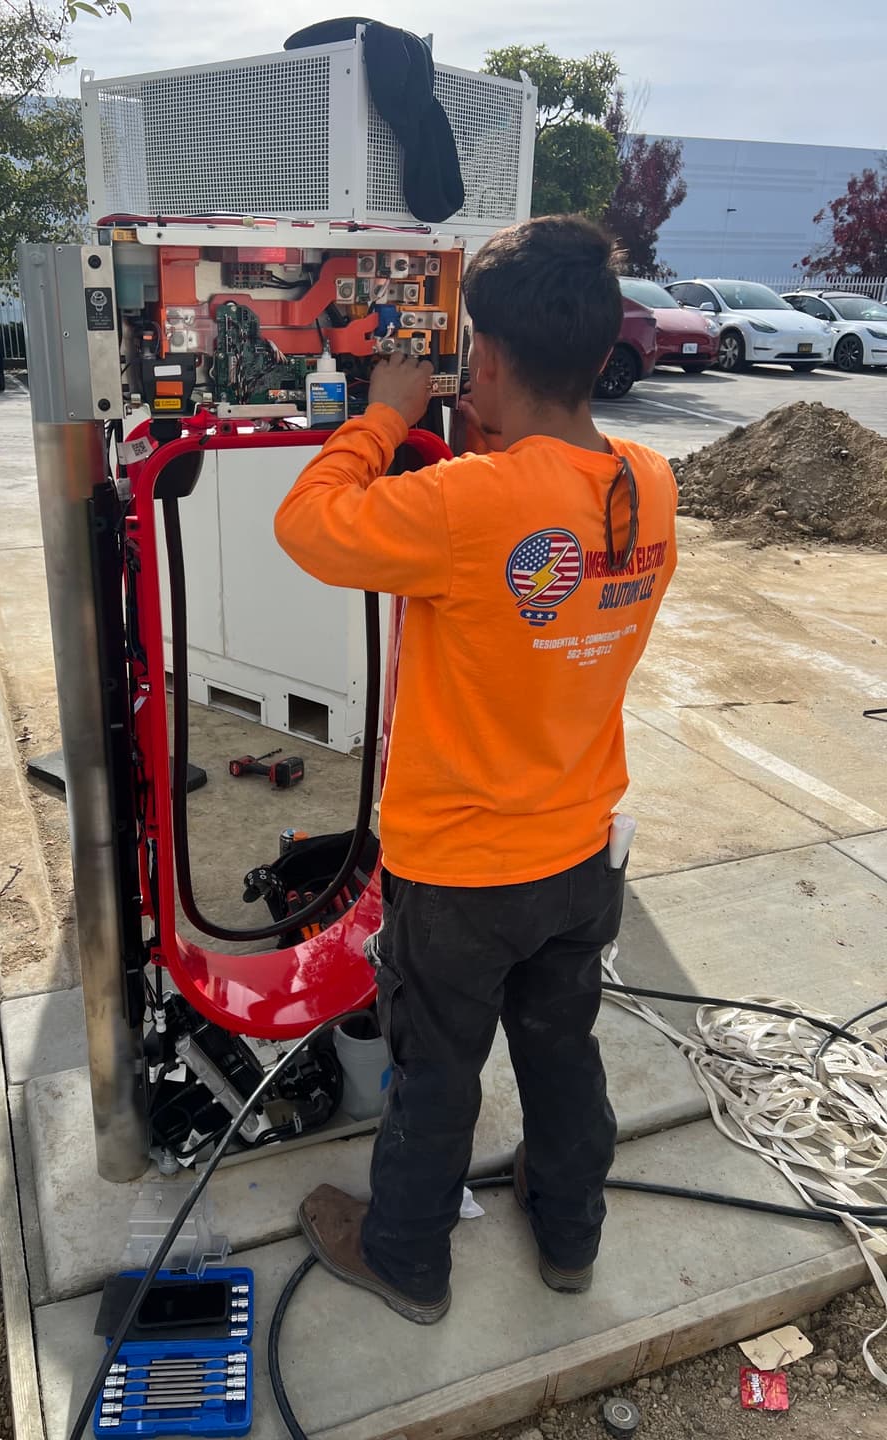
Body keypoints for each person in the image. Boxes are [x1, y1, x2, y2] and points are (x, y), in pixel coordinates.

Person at [273, 215, 678, 1325]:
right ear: (603, 353)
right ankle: (568, 1238)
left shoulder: (464, 505)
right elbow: (538, 524)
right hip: (582, 856)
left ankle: (405, 1256)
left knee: (437, 1071)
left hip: (461, 874)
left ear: (482, 362)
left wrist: (382, 417)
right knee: (561, 1050)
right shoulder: (650, 483)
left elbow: (309, 527)